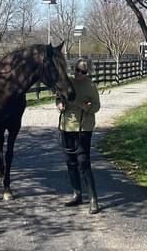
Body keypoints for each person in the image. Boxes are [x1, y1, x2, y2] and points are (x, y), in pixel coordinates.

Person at [57, 57, 102, 214]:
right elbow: (59, 97)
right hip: (66, 126)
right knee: (70, 162)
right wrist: (59, 104)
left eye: (82, 71)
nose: (78, 73)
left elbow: (97, 105)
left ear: (87, 72)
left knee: (83, 162)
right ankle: (77, 194)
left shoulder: (90, 86)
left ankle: (93, 198)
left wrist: (87, 108)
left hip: (83, 128)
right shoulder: (68, 82)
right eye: (76, 70)